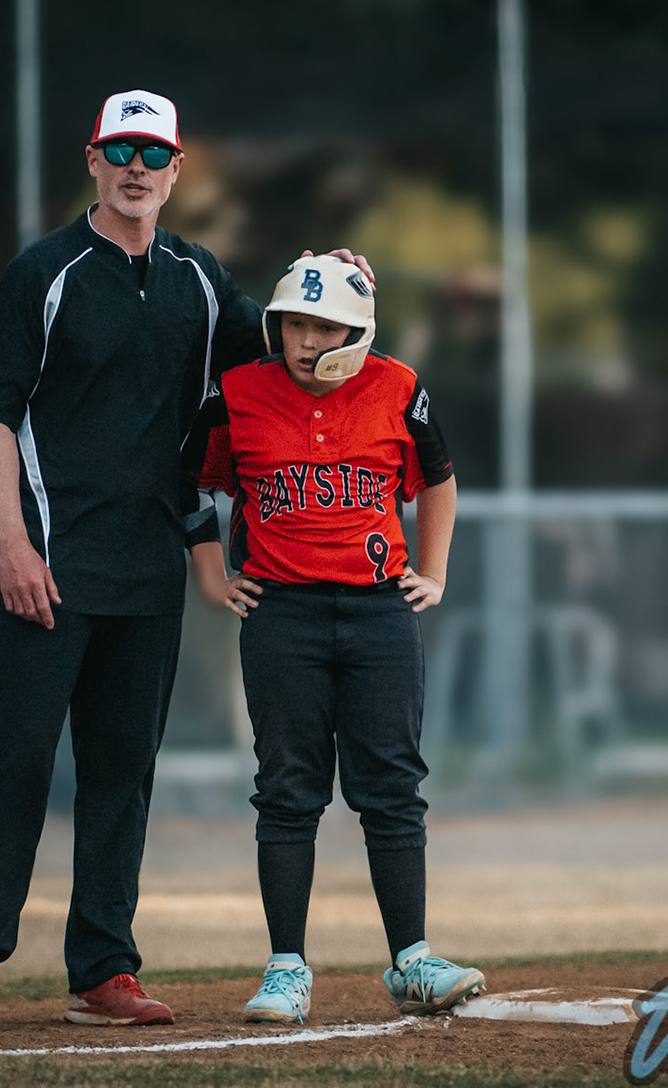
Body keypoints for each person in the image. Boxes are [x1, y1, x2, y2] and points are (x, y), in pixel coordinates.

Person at [0, 89, 370, 1029]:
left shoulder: (199, 281)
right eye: (120, 149)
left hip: (147, 564)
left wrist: (329, 274)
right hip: (46, 560)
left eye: (154, 154)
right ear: (93, 159)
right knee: (16, 757)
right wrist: (11, 542)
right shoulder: (46, 273)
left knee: (123, 767)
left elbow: (289, 334)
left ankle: (103, 968)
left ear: (175, 172)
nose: (137, 167)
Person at [185, 255, 486, 1024]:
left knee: (390, 787)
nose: (304, 338)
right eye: (293, 322)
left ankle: (412, 961)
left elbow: (440, 478)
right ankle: (286, 967)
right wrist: (214, 575)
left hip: (379, 614)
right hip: (282, 613)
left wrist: (435, 572)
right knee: (288, 790)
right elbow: (192, 481)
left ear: (356, 333)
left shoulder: (397, 386)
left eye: (323, 327)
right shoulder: (240, 391)